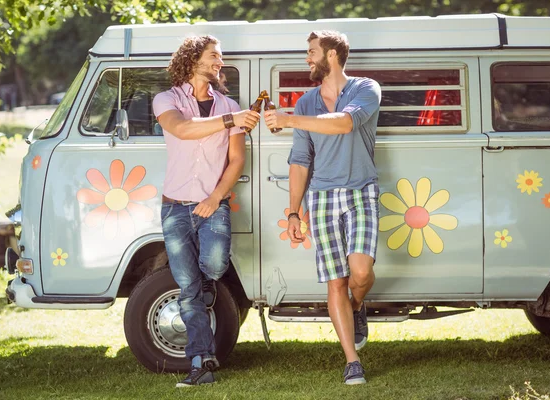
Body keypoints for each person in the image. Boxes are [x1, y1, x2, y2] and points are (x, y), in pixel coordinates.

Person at [264, 30, 381, 385]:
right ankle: (352, 361)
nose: (307, 58)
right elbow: (300, 160)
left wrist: (287, 120)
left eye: (312, 52)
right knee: (336, 282)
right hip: (322, 197)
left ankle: (357, 306)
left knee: (359, 274)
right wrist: (294, 212)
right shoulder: (306, 102)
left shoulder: (365, 88)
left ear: (331, 55)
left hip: (362, 190)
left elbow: (345, 124)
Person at [152, 35, 260, 387]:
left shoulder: (228, 103)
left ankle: (207, 285)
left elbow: (237, 160)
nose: (219, 62)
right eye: (214, 56)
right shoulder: (166, 100)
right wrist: (231, 120)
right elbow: (182, 130)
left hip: (212, 206)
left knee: (213, 265)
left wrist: (215, 198)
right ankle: (201, 361)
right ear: (192, 59)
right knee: (187, 289)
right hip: (174, 208)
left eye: (220, 57)